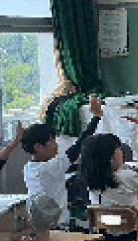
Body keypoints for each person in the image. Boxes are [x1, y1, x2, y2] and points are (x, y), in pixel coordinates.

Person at [21, 94, 103, 228]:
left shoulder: (28, 168)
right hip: (58, 225)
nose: (56, 145)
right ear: (38, 147)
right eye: (52, 141)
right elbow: (78, 146)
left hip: (40, 224)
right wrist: (96, 117)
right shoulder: (49, 168)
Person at [79, 132, 138, 241]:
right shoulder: (125, 177)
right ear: (111, 157)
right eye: (119, 148)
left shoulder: (90, 183)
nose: (122, 151)